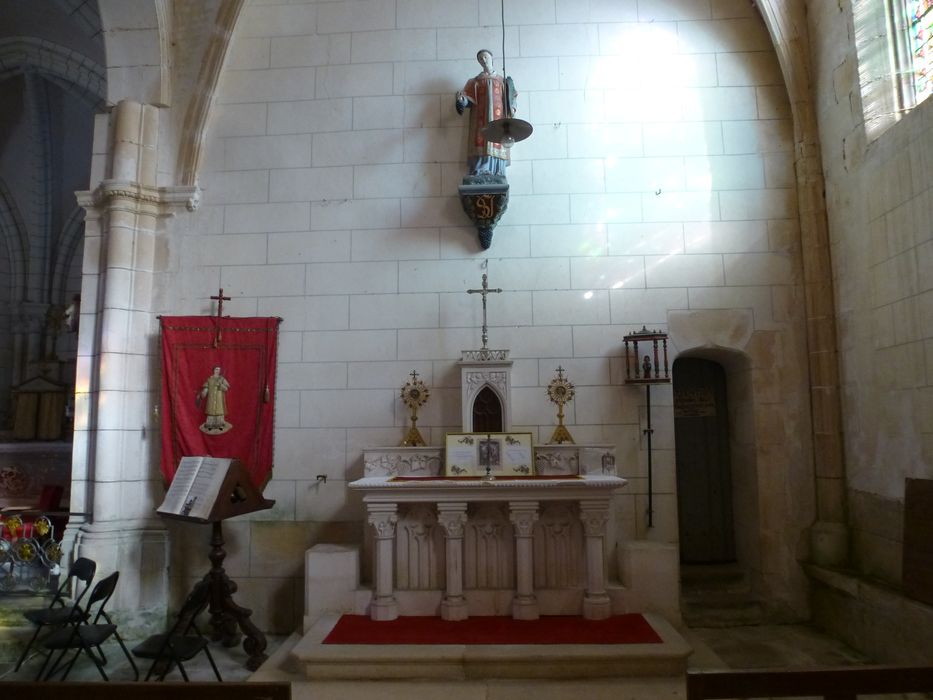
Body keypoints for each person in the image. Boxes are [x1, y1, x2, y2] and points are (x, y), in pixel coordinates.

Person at [456, 49, 518, 180]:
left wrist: (512, 107)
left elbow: (511, 97)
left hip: (498, 117)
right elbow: (467, 98)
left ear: (491, 58)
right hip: (480, 117)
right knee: (481, 138)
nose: (483, 60)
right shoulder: (475, 81)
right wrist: (462, 100)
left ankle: (497, 170)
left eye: (485, 57)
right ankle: (480, 169)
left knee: (498, 138)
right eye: (480, 59)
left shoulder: (502, 80)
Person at [197, 366, 231, 434]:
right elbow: (206, 387)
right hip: (211, 398)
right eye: (216, 369)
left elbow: (226, 388)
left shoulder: (222, 379)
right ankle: (210, 426)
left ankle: (220, 425)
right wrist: (204, 392)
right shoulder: (210, 379)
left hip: (219, 399)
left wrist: (220, 385)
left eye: (219, 369)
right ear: (213, 370)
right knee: (211, 411)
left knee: (219, 411)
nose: (217, 371)